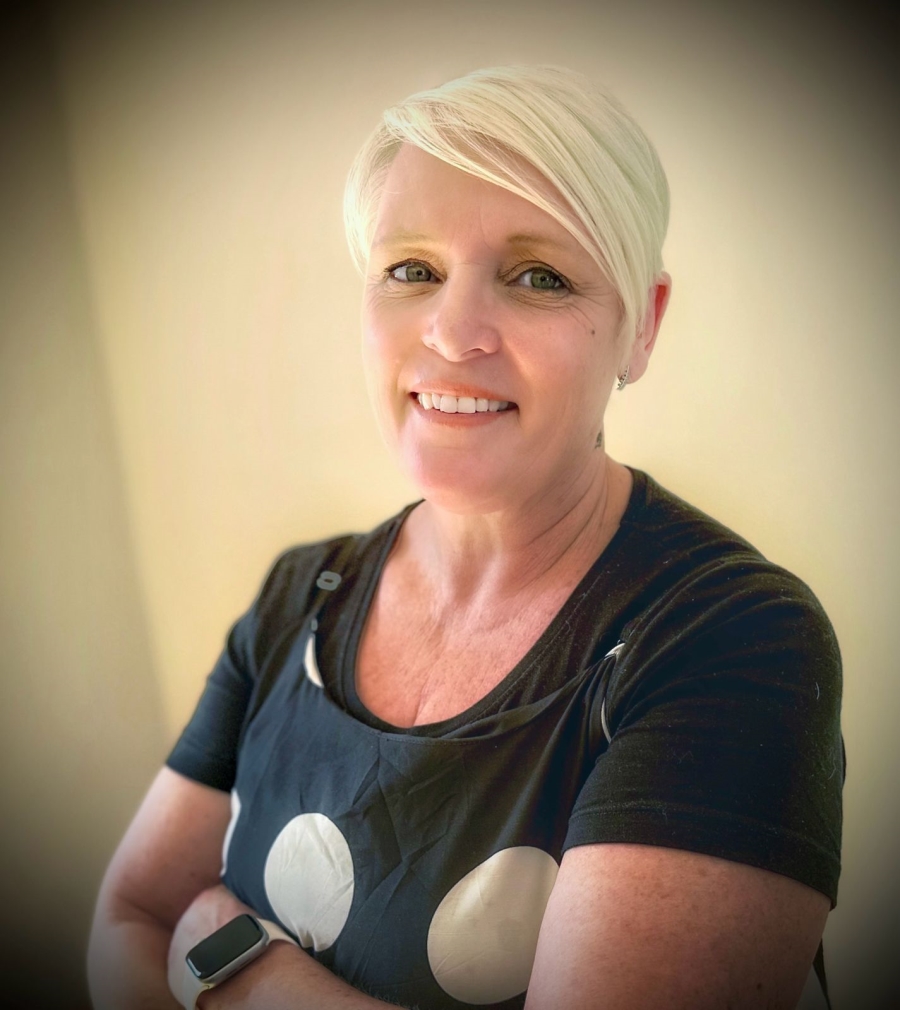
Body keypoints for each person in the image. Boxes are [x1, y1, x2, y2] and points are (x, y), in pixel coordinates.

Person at [87, 65, 843, 1010]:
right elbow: (130, 919)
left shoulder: (727, 638)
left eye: (539, 277)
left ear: (641, 328)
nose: (453, 333)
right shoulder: (302, 596)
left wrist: (241, 971)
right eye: (413, 270)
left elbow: (177, 931)